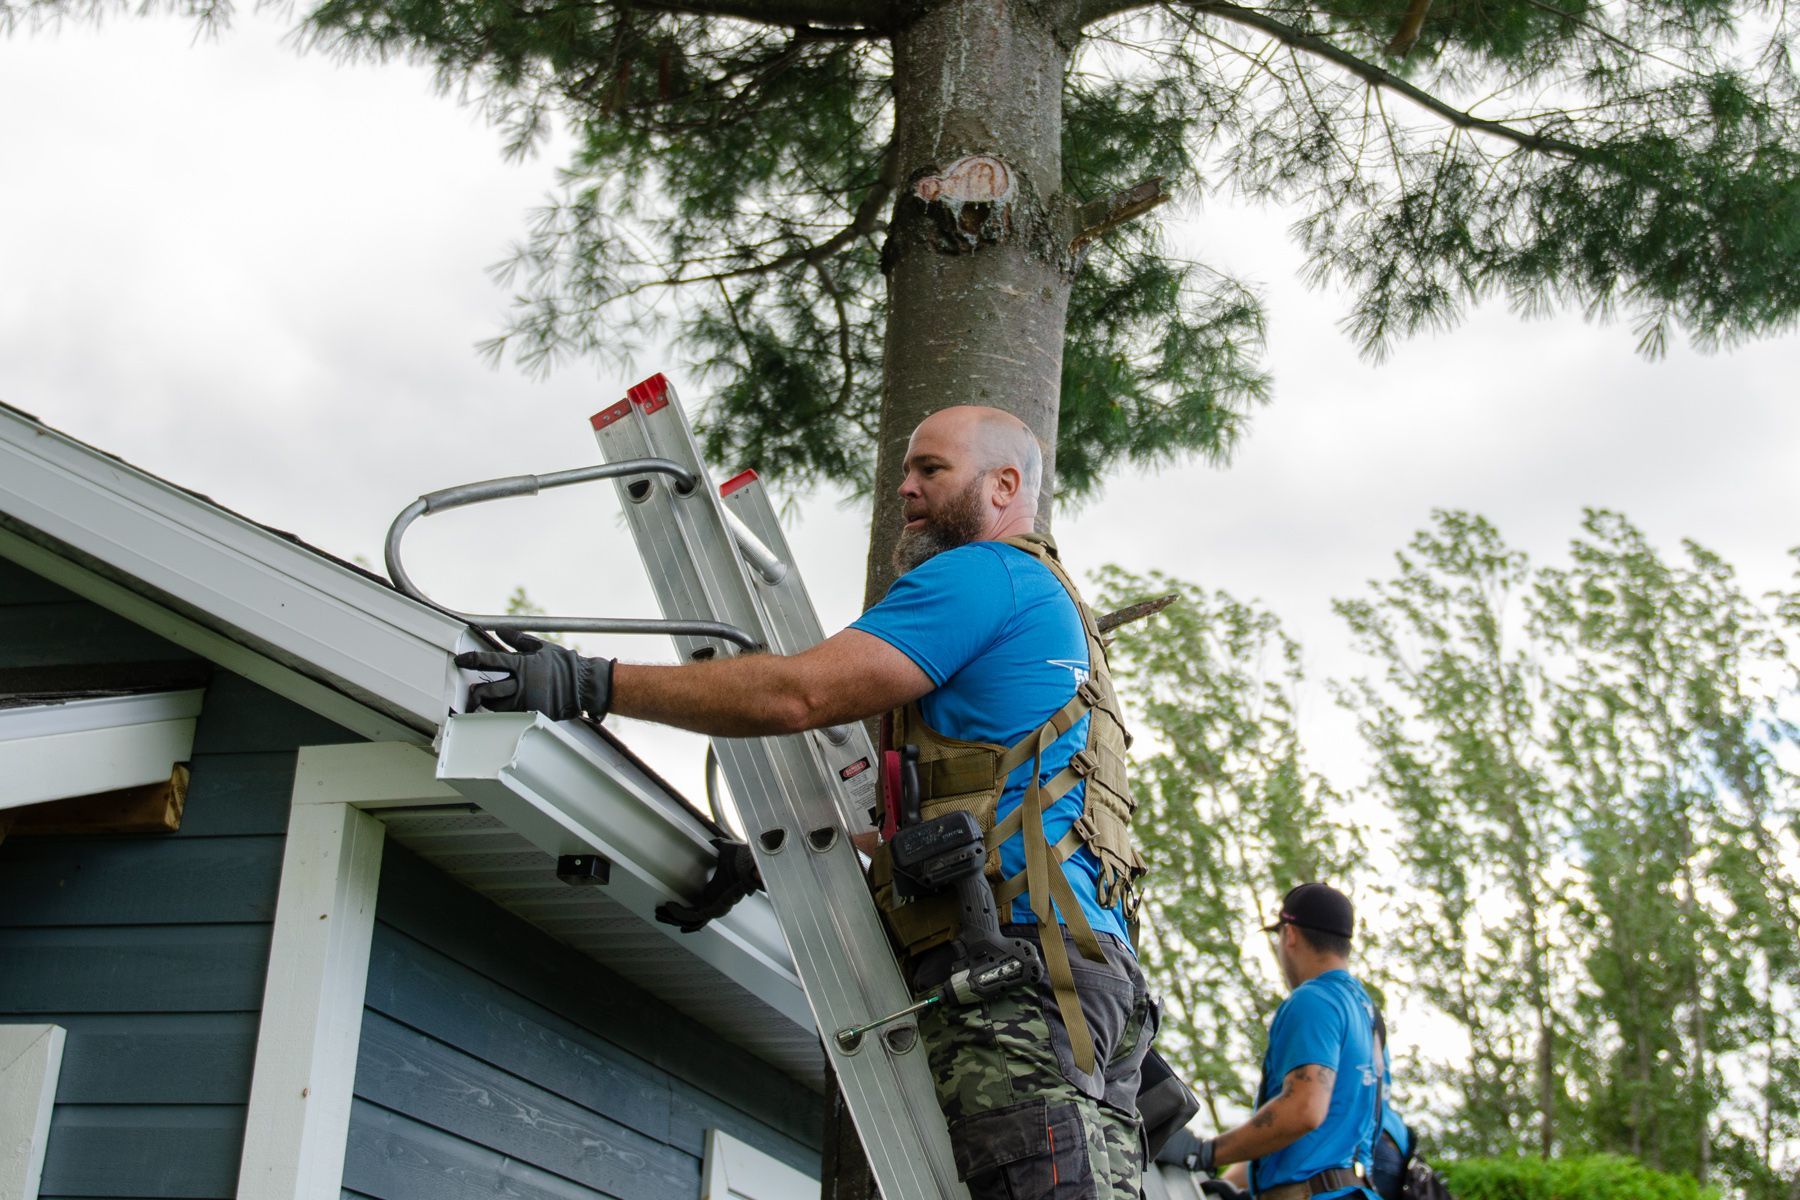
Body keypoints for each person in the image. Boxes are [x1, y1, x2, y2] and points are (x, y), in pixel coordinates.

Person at [455, 404, 1156, 1200]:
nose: (906, 487)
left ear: (1003, 485)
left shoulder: (982, 575)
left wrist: (593, 684)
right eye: (906, 470)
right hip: (1083, 985)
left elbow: (800, 694)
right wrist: (776, 861)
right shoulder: (1054, 604)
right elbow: (979, 816)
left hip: (1020, 986)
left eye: (932, 469)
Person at [1183, 883, 1381, 1200]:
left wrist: (1204, 1152)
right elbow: (1318, 1142)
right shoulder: (1368, 1014)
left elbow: (1303, 1110)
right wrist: (1231, 1184)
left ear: (1289, 934)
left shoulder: (1313, 1000)